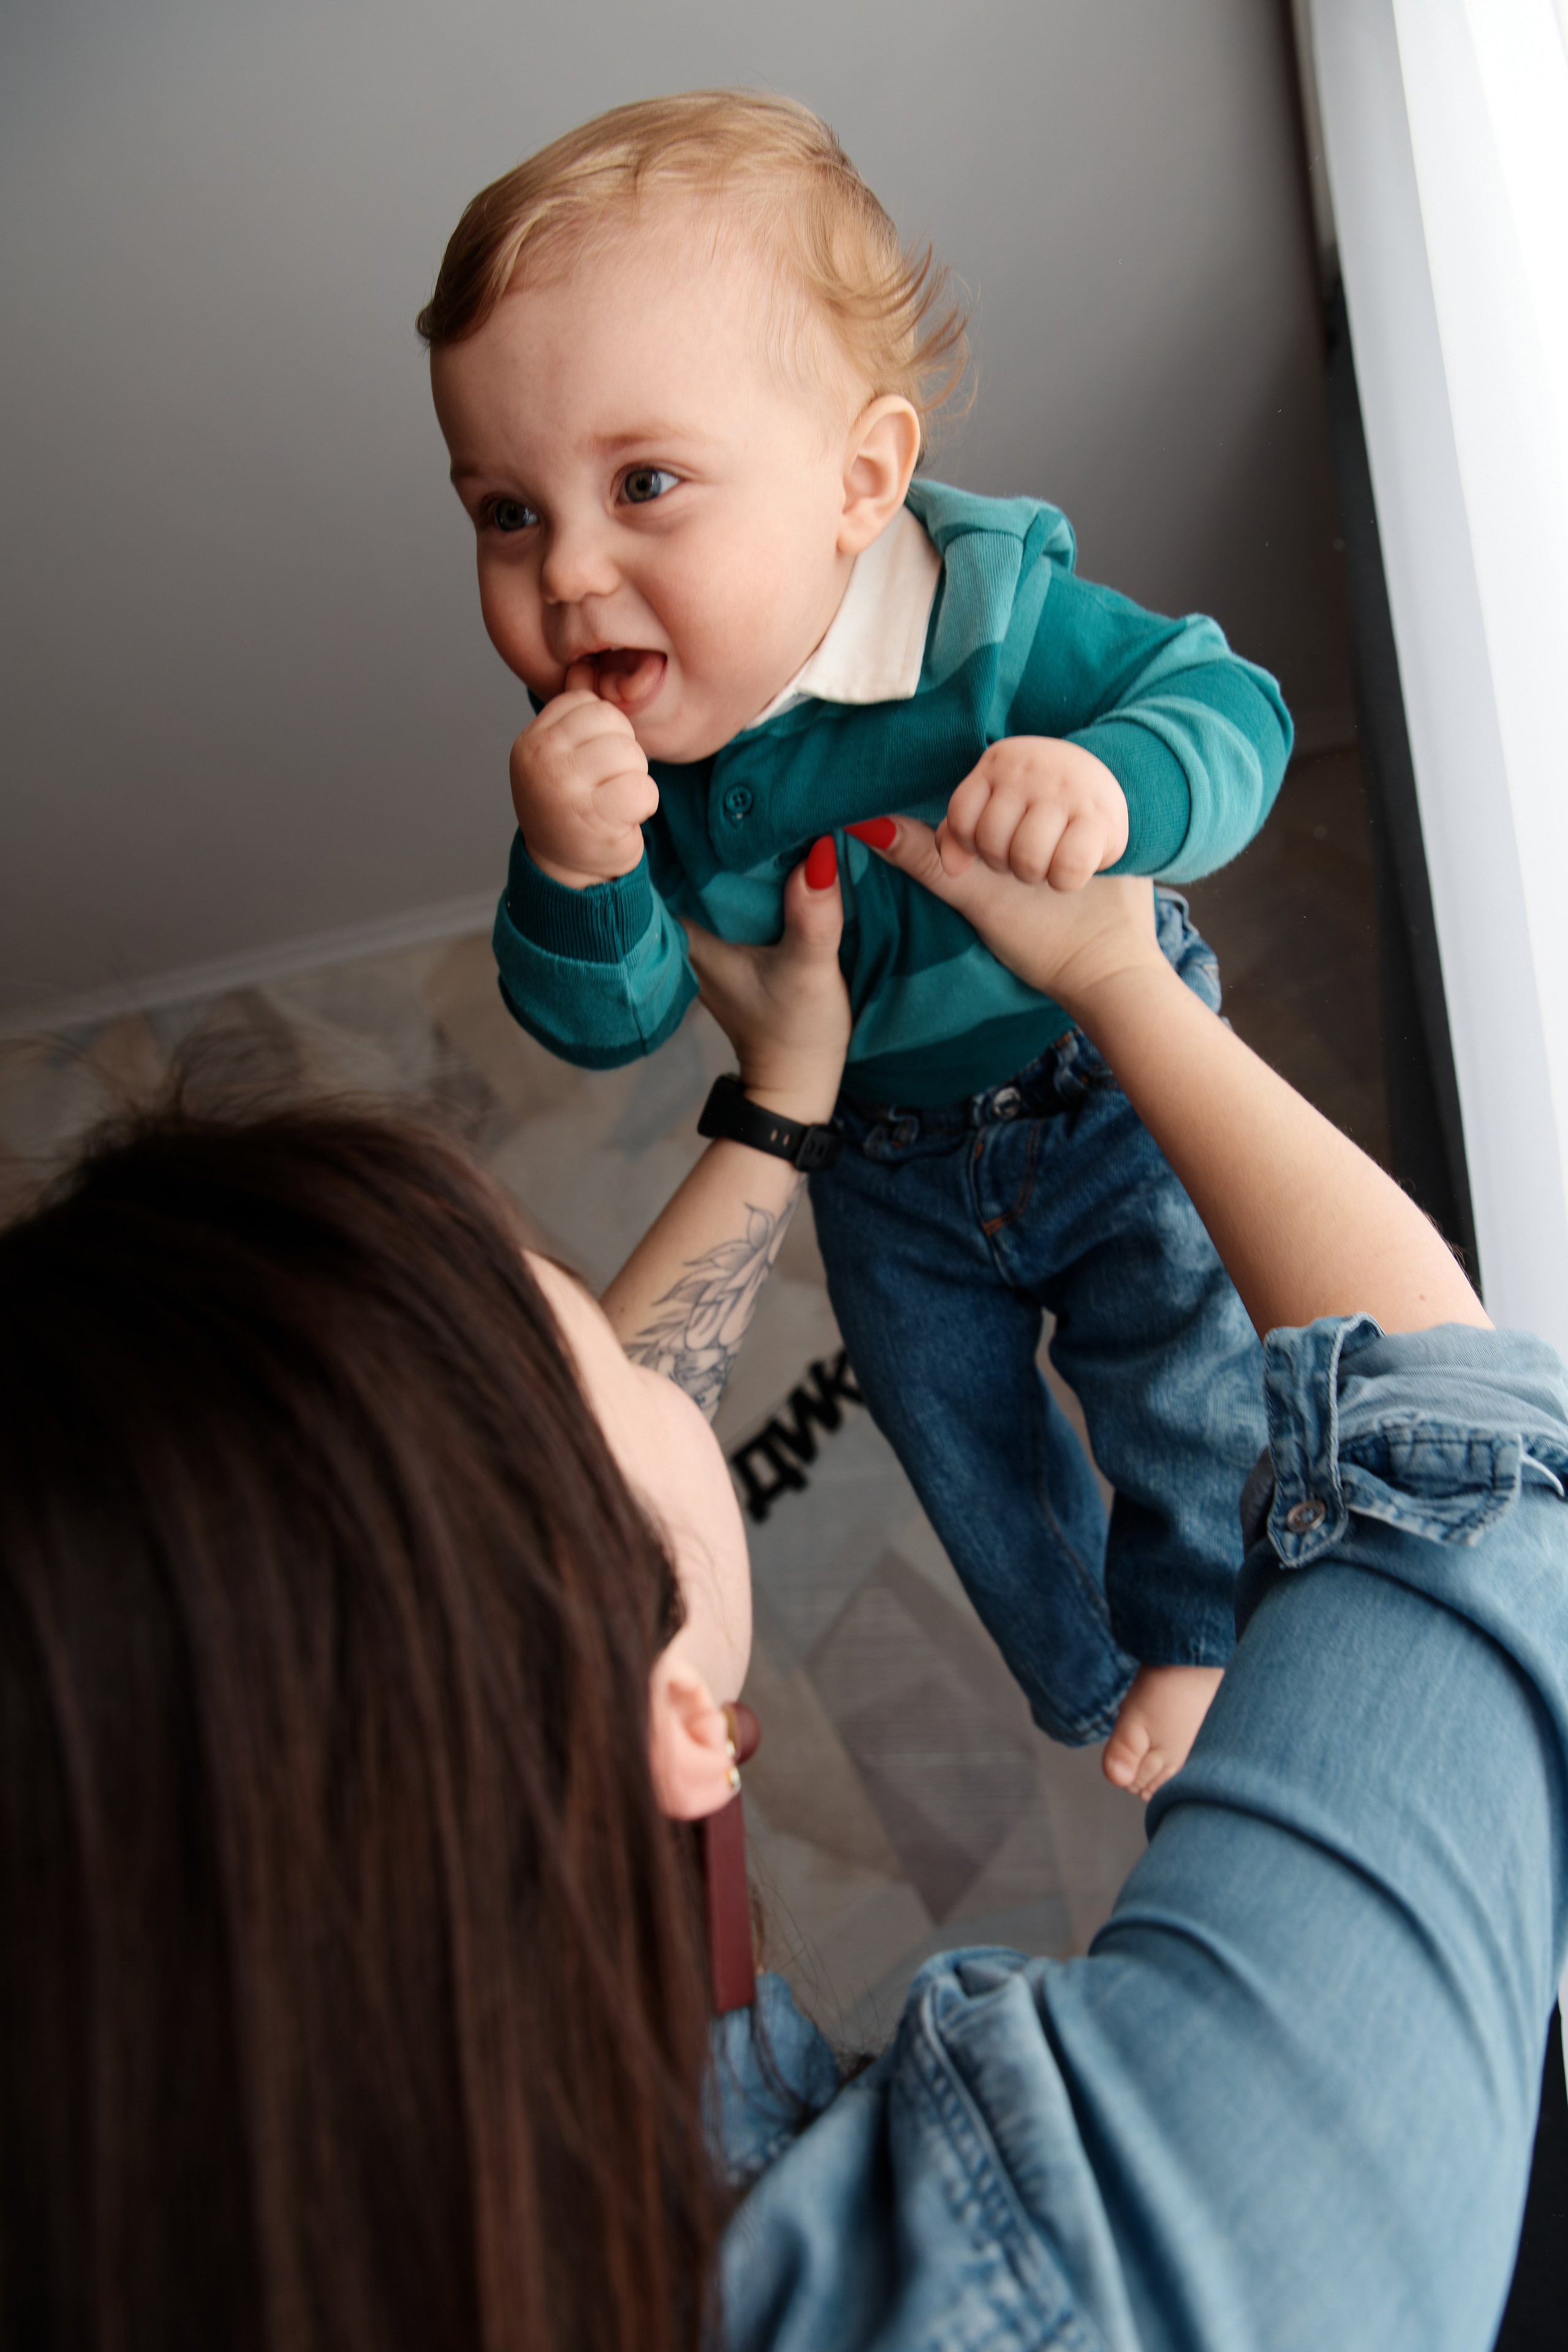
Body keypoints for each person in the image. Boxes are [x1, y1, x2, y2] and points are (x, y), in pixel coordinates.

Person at [2, 825, 1564, 2350]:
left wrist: (782, 1102)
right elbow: (1456, 1461)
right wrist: (1120, 974)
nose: (653, 1376)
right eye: (597, 1372)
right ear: (671, 1718)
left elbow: (531, 1530)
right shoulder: (1051, 2269)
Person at [419, 89, 1296, 1794]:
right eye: (504, 511)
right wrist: (574, 867)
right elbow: (606, 1023)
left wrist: (1110, 787)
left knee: (1182, 1361)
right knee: (947, 1421)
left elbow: (1231, 707)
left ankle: (1199, 1628)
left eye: (644, 484)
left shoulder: (998, 625)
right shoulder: (621, 751)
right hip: (879, 1151)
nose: (570, 575)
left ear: (859, 480)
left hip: (1091, 1079)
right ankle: (1077, 1673)